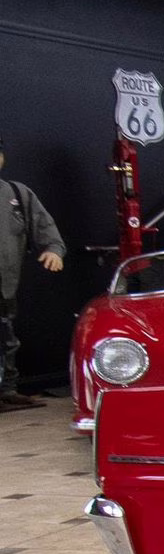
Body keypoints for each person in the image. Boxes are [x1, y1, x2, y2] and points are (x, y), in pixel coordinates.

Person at [0, 140, 66, 411]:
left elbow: (47, 231)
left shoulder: (18, 194)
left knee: (6, 337)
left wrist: (54, 251)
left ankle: (7, 390)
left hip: (5, 286)